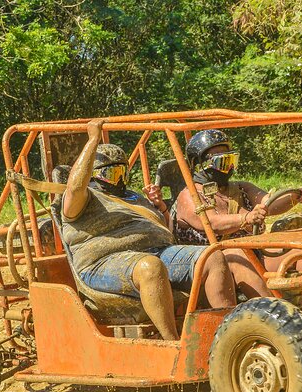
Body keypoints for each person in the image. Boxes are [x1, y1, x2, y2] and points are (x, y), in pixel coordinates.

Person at [61, 120, 236, 340]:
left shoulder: (133, 197)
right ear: (93, 175)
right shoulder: (82, 199)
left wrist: (159, 207)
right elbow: (75, 187)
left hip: (158, 251)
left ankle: (227, 340)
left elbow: (165, 226)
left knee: (213, 257)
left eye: (123, 173)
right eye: (112, 174)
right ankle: (172, 345)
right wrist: (93, 140)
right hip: (103, 262)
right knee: (150, 268)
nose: (120, 180)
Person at [173, 129, 302, 298]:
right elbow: (212, 223)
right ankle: (276, 314)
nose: (228, 168)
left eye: (231, 160)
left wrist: (295, 196)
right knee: (236, 254)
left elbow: (269, 204)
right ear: (199, 164)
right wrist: (246, 218)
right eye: (222, 162)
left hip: (252, 256)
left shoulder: (241, 188)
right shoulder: (189, 196)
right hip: (212, 269)